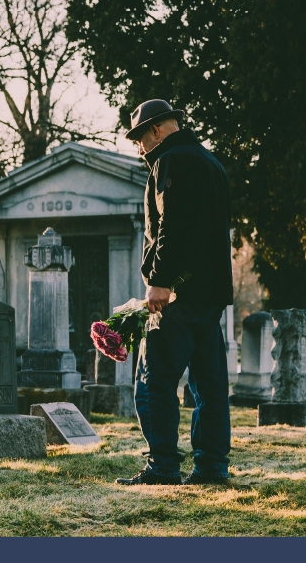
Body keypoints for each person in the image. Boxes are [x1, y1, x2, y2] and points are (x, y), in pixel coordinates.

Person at [115, 99, 234, 486]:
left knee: (153, 382)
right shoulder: (212, 164)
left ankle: (163, 465)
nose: (138, 148)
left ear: (155, 130)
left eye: (139, 138)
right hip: (211, 294)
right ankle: (212, 466)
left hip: (177, 294)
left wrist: (160, 281)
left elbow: (172, 226)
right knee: (209, 385)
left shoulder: (171, 162)